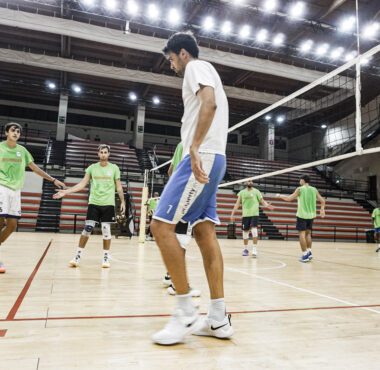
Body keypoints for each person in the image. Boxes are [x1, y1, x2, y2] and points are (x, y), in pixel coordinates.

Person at [150, 32, 233, 345]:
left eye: (171, 59)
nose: (171, 65)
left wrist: (195, 147)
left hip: (203, 156)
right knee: (203, 232)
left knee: (160, 227)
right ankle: (217, 319)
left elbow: (208, 104)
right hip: (215, 157)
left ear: (182, 53)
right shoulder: (207, 70)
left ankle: (185, 310)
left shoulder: (196, 67)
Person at [0, 122, 66, 273]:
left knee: (12, 226)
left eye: (18, 131)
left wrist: (54, 180)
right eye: (13, 130)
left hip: (16, 191)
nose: (16, 133)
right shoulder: (0, 148)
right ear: (6, 133)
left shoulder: (22, 151)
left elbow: (35, 169)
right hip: (1, 187)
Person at [54, 144, 125, 268]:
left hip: (108, 203)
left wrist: (123, 201)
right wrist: (66, 192)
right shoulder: (92, 168)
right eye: (101, 152)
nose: (103, 154)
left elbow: (118, 187)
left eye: (105, 152)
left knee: (106, 231)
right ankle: (77, 256)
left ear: (109, 154)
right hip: (94, 203)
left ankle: (105, 258)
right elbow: (82, 185)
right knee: (87, 229)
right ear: (98, 154)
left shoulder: (114, 168)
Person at [163, 141, 200, 297]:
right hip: (187, 194)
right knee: (183, 239)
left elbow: (171, 170)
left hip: (176, 192)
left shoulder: (180, 144)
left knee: (178, 236)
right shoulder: (196, 144)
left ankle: (169, 275)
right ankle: (177, 285)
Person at [276, 174, 325, 263]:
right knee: (308, 234)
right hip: (311, 216)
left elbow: (289, 198)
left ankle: (304, 254)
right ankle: (309, 252)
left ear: (302, 180)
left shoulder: (300, 189)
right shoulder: (314, 190)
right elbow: (323, 201)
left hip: (302, 215)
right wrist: (322, 210)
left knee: (302, 235)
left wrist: (279, 195)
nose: (299, 182)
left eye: (300, 180)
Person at [230, 180, 274, 257]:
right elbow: (237, 204)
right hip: (245, 215)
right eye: (248, 181)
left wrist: (267, 205)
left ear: (252, 183)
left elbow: (262, 201)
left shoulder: (256, 191)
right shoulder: (242, 193)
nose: (250, 182)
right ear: (245, 183)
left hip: (254, 214)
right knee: (245, 232)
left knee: (254, 230)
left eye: (251, 181)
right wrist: (232, 214)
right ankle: (246, 249)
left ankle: (254, 249)